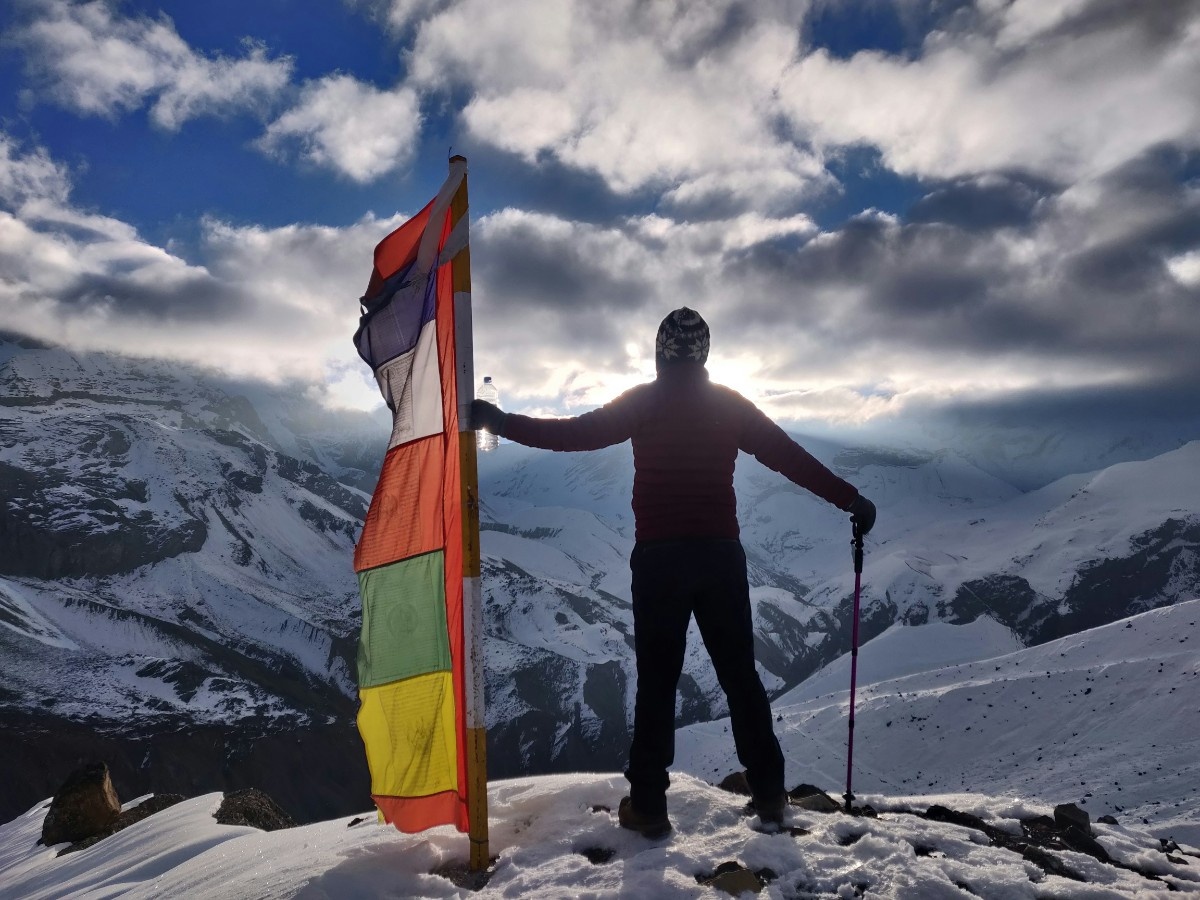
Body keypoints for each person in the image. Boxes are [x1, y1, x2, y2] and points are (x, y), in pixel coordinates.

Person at [471, 307, 876, 837]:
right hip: (720, 558)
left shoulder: (644, 401)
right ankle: (772, 796)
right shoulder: (730, 406)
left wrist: (500, 422)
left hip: (660, 561)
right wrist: (851, 499)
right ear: (704, 354)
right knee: (740, 678)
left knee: (657, 682)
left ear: (660, 352)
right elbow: (789, 457)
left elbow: (574, 435)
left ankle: (649, 807)